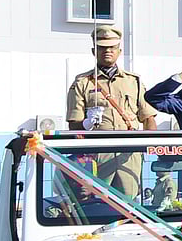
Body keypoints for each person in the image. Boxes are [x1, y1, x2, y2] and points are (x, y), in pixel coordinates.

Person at [66, 26, 158, 199]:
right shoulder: (82, 83)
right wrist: (86, 124)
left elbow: (148, 117)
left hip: (129, 153)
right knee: (96, 203)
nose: (107, 51)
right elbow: (74, 125)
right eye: (102, 47)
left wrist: (147, 145)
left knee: (130, 205)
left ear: (119, 51)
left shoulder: (134, 81)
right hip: (98, 154)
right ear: (94, 51)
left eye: (112, 47)